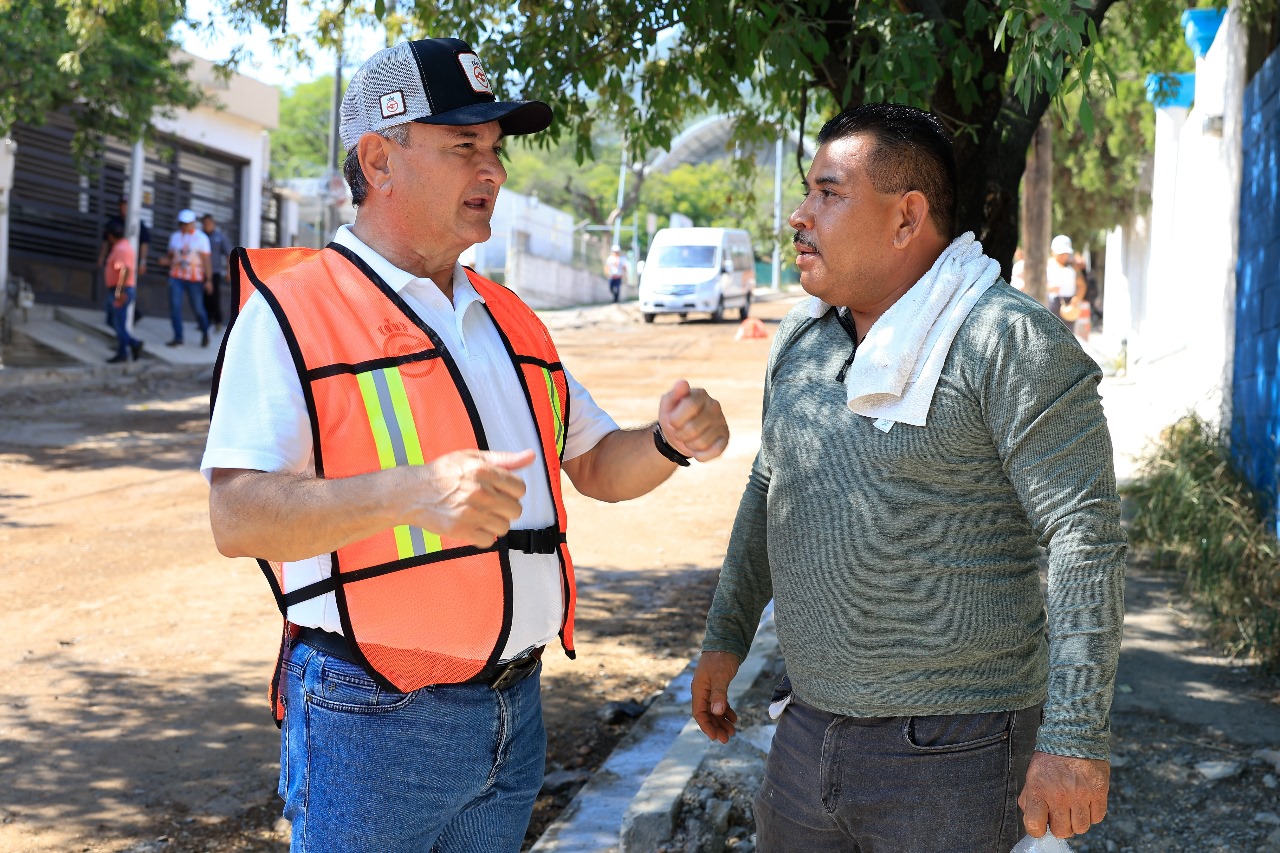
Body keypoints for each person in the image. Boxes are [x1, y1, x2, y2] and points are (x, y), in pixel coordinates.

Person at [202, 37, 730, 853]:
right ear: (378, 160)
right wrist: (409, 492)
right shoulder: (292, 313)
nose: (495, 170)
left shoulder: (508, 317)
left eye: (495, 147)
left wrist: (669, 441)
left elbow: (594, 462)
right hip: (372, 715)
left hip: (514, 710)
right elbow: (237, 516)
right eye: (463, 146)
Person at [690, 103, 1125, 852]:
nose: (799, 216)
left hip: (960, 752)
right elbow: (770, 484)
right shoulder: (799, 337)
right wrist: (726, 633)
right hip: (805, 735)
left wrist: (1075, 735)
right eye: (807, 192)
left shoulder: (1006, 339)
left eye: (829, 193)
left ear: (906, 218)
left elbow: (1084, 533)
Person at [160, 208, 212, 347]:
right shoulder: (175, 237)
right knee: (175, 307)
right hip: (176, 277)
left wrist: (208, 280)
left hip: (195, 279)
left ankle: (205, 331)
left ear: (193, 223)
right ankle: (178, 337)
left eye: (187, 223)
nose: (185, 226)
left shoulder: (202, 238)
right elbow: (171, 256)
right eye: (182, 223)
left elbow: (206, 260)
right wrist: (165, 261)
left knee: (198, 308)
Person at [99, 198, 149, 329]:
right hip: (115, 262)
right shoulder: (114, 222)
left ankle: (127, 328)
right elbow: (105, 242)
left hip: (127, 263)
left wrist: (143, 262)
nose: (124, 208)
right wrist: (101, 257)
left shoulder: (137, 223)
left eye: (127, 206)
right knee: (114, 298)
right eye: (122, 206)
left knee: (122, 294)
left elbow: (144, 244)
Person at [102, 218, 143, 363]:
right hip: (118, 289)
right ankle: (131, 345)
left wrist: (120, 291)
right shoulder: (121, 247)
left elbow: (125, 271)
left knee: (118, 323)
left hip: (120, 290)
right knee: (113, 321)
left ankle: (126, 350)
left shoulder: (121, 249)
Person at [201, 213, 232, 332]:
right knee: (203, 298)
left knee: (214, 298)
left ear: (213, 224)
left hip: (215, 272)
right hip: (200, 273)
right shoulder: (200, 237)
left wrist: (229, 272)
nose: (207, 225)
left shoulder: (219, 237)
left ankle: (218, 321)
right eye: (205, 223)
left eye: (209, 223)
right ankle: (205, 322)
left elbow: (229, 254)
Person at [1047, 234, 1087, 324]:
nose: (1063, 256)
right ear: (1053, 251)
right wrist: (1049, 288)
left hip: (1069, 304)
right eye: (1061, 253)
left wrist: (1077, 298)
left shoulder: (1073, 267)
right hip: (1051, 303)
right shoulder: (1046, 265)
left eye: (1065, 253)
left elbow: (1081, 285)